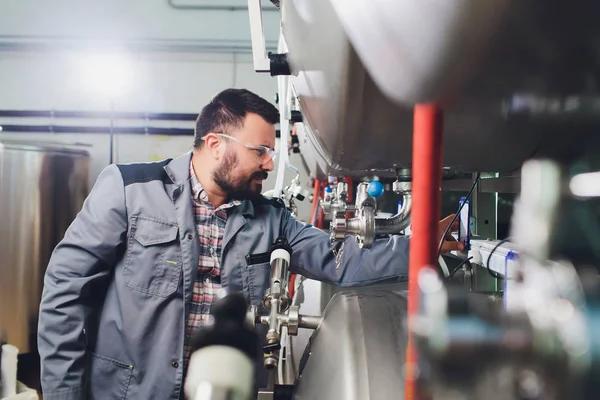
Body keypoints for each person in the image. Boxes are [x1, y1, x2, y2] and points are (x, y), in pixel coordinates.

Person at [37, 88, 464, 400]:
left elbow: (344, 260)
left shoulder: (269, 218)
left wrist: (429, 241)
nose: (270, 162)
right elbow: (65, 294)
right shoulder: (130, 191)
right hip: (129, 392)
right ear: (215, 145)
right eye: (260, 150)